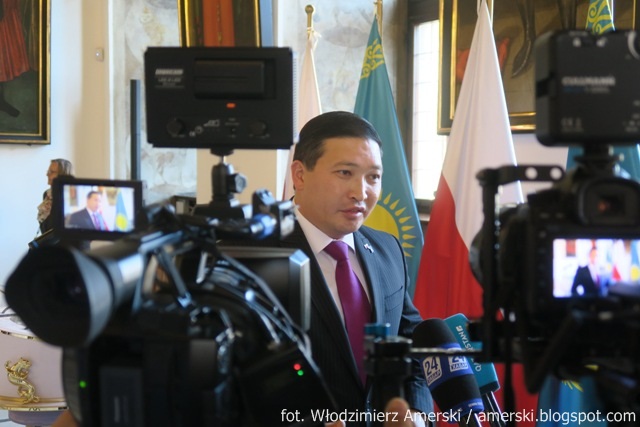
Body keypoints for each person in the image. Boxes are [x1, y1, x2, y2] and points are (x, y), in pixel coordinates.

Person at [286, 111, 432, 424]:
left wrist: (417, 413)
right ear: (300, 175)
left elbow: (412, 344)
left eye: (373, 177)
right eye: (344, 173)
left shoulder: (388, 249)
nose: (361, 193)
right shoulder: (254, 257)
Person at [37, 158, 73, 234]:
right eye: (48, 171)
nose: (47, 174)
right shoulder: (47, 194)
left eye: (52, 172)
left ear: (63, 175)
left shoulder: (70, 196)